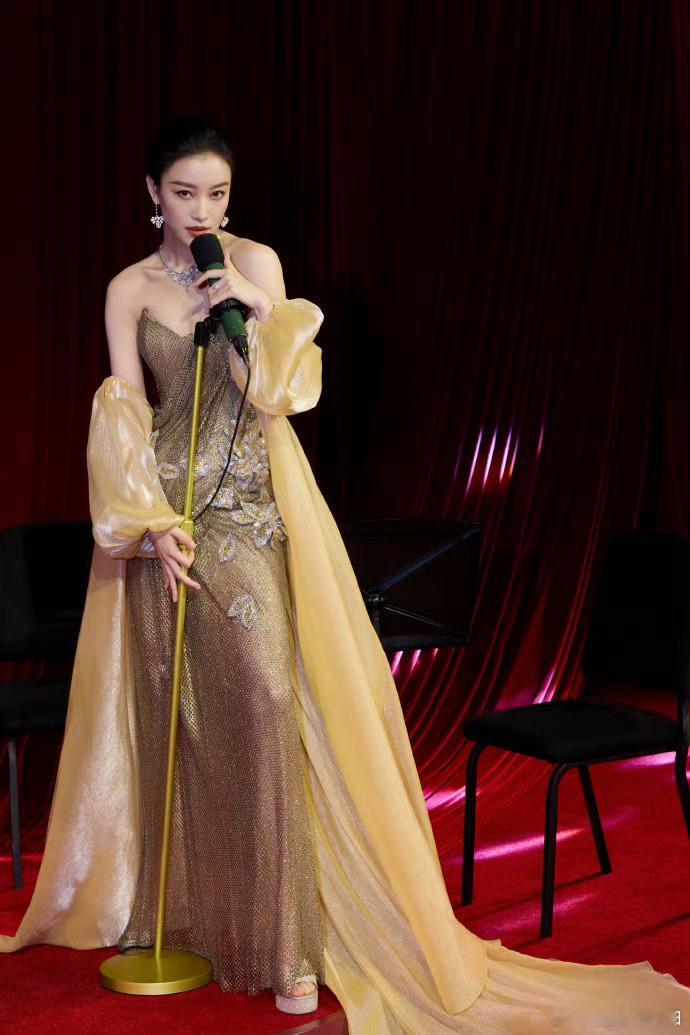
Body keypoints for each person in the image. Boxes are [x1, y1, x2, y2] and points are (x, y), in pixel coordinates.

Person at [1, 117, 687, 1034]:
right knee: (178, 724)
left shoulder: (255, 265)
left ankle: (287, 943)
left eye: (217, 194)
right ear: (152, 195)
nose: (202, 210)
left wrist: (247, 307)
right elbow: (123, 412)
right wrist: (149, 525)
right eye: (185, 193)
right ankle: (196, 919)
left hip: (251, 511)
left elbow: (277, 396)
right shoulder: (127, 289)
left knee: (268, 704)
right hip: (167, 525)